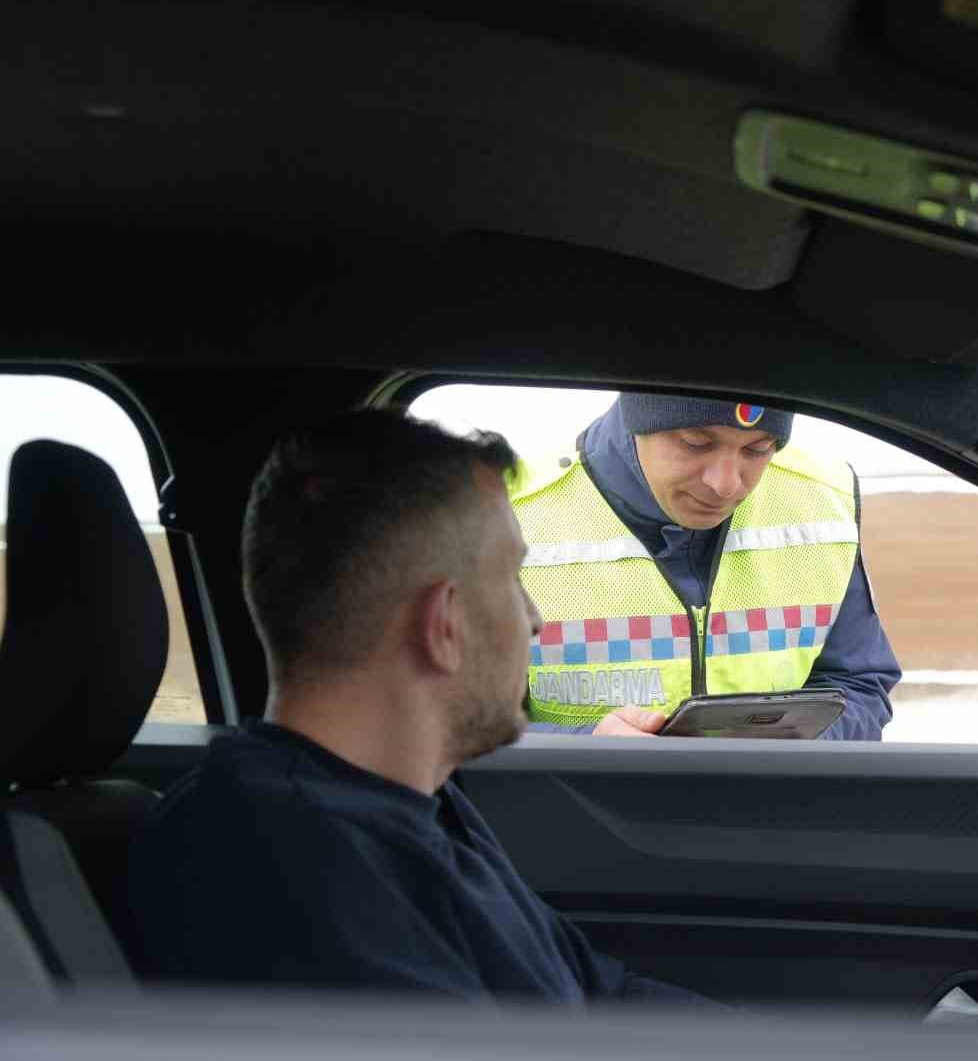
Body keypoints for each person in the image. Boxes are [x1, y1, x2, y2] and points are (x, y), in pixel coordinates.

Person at [128, 410, 707, 1003]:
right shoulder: (300, 879)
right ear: (444, 623)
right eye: (512, 580)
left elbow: (590, 987)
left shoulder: (415, 801)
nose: (534, 621)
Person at [511, 394, 899, 740]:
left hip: (764, 814)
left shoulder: (821, 502)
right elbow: (458, 722)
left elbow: (858, 685)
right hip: (573, 811)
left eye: (757, 449)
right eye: (697, 443)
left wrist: (791, 754)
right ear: (638, 420)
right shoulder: (510, 513)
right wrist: (583, 744)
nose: (726, 484)